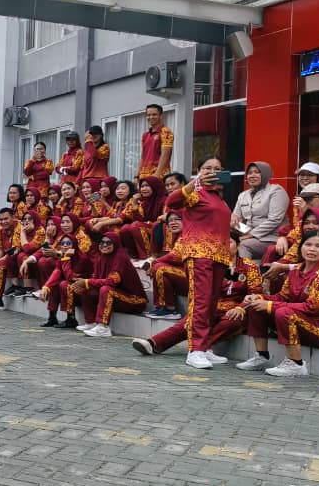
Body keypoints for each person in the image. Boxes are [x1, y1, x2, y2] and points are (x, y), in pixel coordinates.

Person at [238, 230, 319, 376]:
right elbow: (283, 297)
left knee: (284, 313)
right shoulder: (296, 270)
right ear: (300, 247)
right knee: (257, 305)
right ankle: (261, 356)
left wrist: (270, 305)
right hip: (303, 322)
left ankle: (296, 364)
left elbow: (312, 307)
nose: (312, 249)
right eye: (308, 244)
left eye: (318, 246)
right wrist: (259, 297)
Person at [133, 235, 261, 356]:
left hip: (237, 309)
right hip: (214, 306)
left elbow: (255, 292)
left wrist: (241, 307)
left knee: (231, 321)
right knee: (191, 321)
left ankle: (200, 347)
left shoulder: (249, 266)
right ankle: (152, 343)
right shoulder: (213, 265)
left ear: (238, 246)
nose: (225, 246)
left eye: (229, 242)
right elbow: (203, 291)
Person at [168, 157, 235, 370]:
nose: (212, 172)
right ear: (199, 171)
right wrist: (194, 182)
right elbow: (172, 202)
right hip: (199, 254)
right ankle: (195, 349)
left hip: (219, 256)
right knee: (201, 302)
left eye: (217, 169)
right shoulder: (195, 192)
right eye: (208, 168)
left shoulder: (219, 198)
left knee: (212, 302)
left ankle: (204, 347)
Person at [67, 232, 147, 337]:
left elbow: (113, 281)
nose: (104, 245)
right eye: (102, 242)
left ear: (115, 243)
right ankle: (91, 323)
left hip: (135, 300)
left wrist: (87, 282)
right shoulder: (102, 257)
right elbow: (95, 278)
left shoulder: (120, 257)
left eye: (109, 242)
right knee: (87, 289)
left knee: (106, 289)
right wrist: (83, 283)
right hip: (118, 296)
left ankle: (103, 327)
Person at [232, 161, 289, 261]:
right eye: (249, 173)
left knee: (245, 245)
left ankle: (246, 275)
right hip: (247, 234)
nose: (252, 176)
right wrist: (233, 220)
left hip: (271, 238)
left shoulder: (276, 191)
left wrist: (251, 234)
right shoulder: (243, 195)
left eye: (257, 172)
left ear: (265, 174)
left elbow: (274, 220)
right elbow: (236, 216)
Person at [138, 104, 174, 180]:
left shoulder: (166, 132)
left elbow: (165, 155)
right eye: (148, 115)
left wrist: (157, 174)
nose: (151, 117)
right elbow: (142, 157)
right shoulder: (145, 135)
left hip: (159, 175)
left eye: (154, 114)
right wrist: (137, 175)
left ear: (161, 116)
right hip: (144, 176)